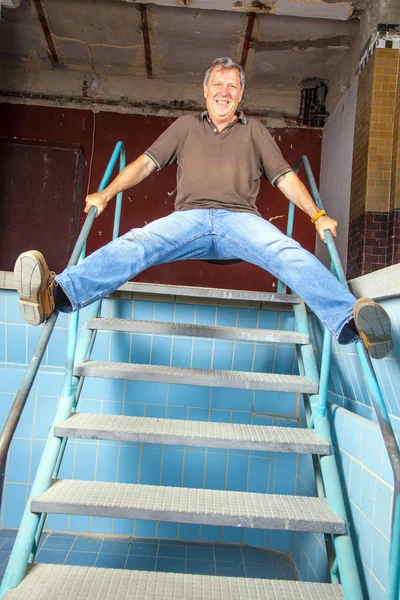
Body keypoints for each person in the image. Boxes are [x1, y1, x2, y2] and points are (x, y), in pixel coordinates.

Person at [14, 57, 393, 360]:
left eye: (232, 86)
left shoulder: (255, 131)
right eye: (218, 84)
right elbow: (144, 163)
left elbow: (284, 178)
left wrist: (317, 214)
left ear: (241, 94)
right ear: (205, 91)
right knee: (138, 242)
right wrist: (105, 194)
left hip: (241, 221)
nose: (224, 92)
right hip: (189, 220)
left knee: (286, 252)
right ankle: (58, 293)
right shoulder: (184, 127)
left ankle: (352, 321)